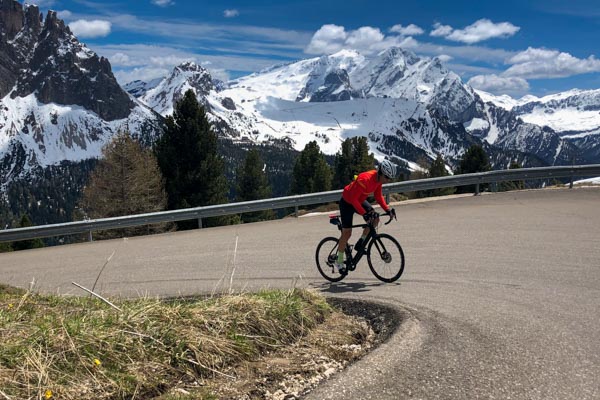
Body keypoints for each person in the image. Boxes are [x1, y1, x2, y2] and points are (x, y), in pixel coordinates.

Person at [336, 159, 397, 273]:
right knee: (347, 233)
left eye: (390, 178)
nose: (388, 181)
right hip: (347, 203)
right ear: (380, 173)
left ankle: (361, 242)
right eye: (387, 177)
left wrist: (387, 210)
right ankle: (338, 261)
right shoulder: (365, 179)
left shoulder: (379, 181)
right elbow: (353, 200)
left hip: (359, 200)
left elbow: (378, 196)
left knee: (375, 218)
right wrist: (364, 214)